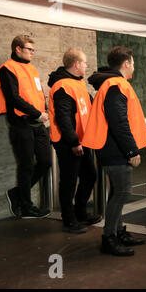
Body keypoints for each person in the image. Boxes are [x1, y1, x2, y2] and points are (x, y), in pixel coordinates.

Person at [82, 46, 146, 256]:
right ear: (126, 63)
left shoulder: (112, 84)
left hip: (110, 147)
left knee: (117, 192)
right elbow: (119, 122)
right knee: (122, 192)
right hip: (115, 149)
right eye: (133, 62)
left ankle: (119, 232)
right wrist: (132, 151)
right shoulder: (116, 85)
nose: (134, 66)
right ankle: (109, 238)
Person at [0, 35, 51, 219]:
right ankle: (26, 206)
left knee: (45, 162)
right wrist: (37, 113)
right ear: (17, 49)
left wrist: (43, 109)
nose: (32, 53)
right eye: (29, 49)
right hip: (21, 124)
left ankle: (17, 193)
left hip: (38, 124)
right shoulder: (7, 69)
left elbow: (35, 93)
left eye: (33, 50)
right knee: (26, 165)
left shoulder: (32, 69)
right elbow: (13, 98)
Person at [48, 48, 100, 234]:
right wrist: (73, 142)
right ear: (76, 64)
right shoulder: (63, 86)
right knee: (69, 181)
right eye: (84, 62)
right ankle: (69, 220)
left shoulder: (76, 84)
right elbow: (63, 118)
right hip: (69, 142)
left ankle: (80, 213)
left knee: (89, 176)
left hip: (81, 140)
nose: (86, 66)